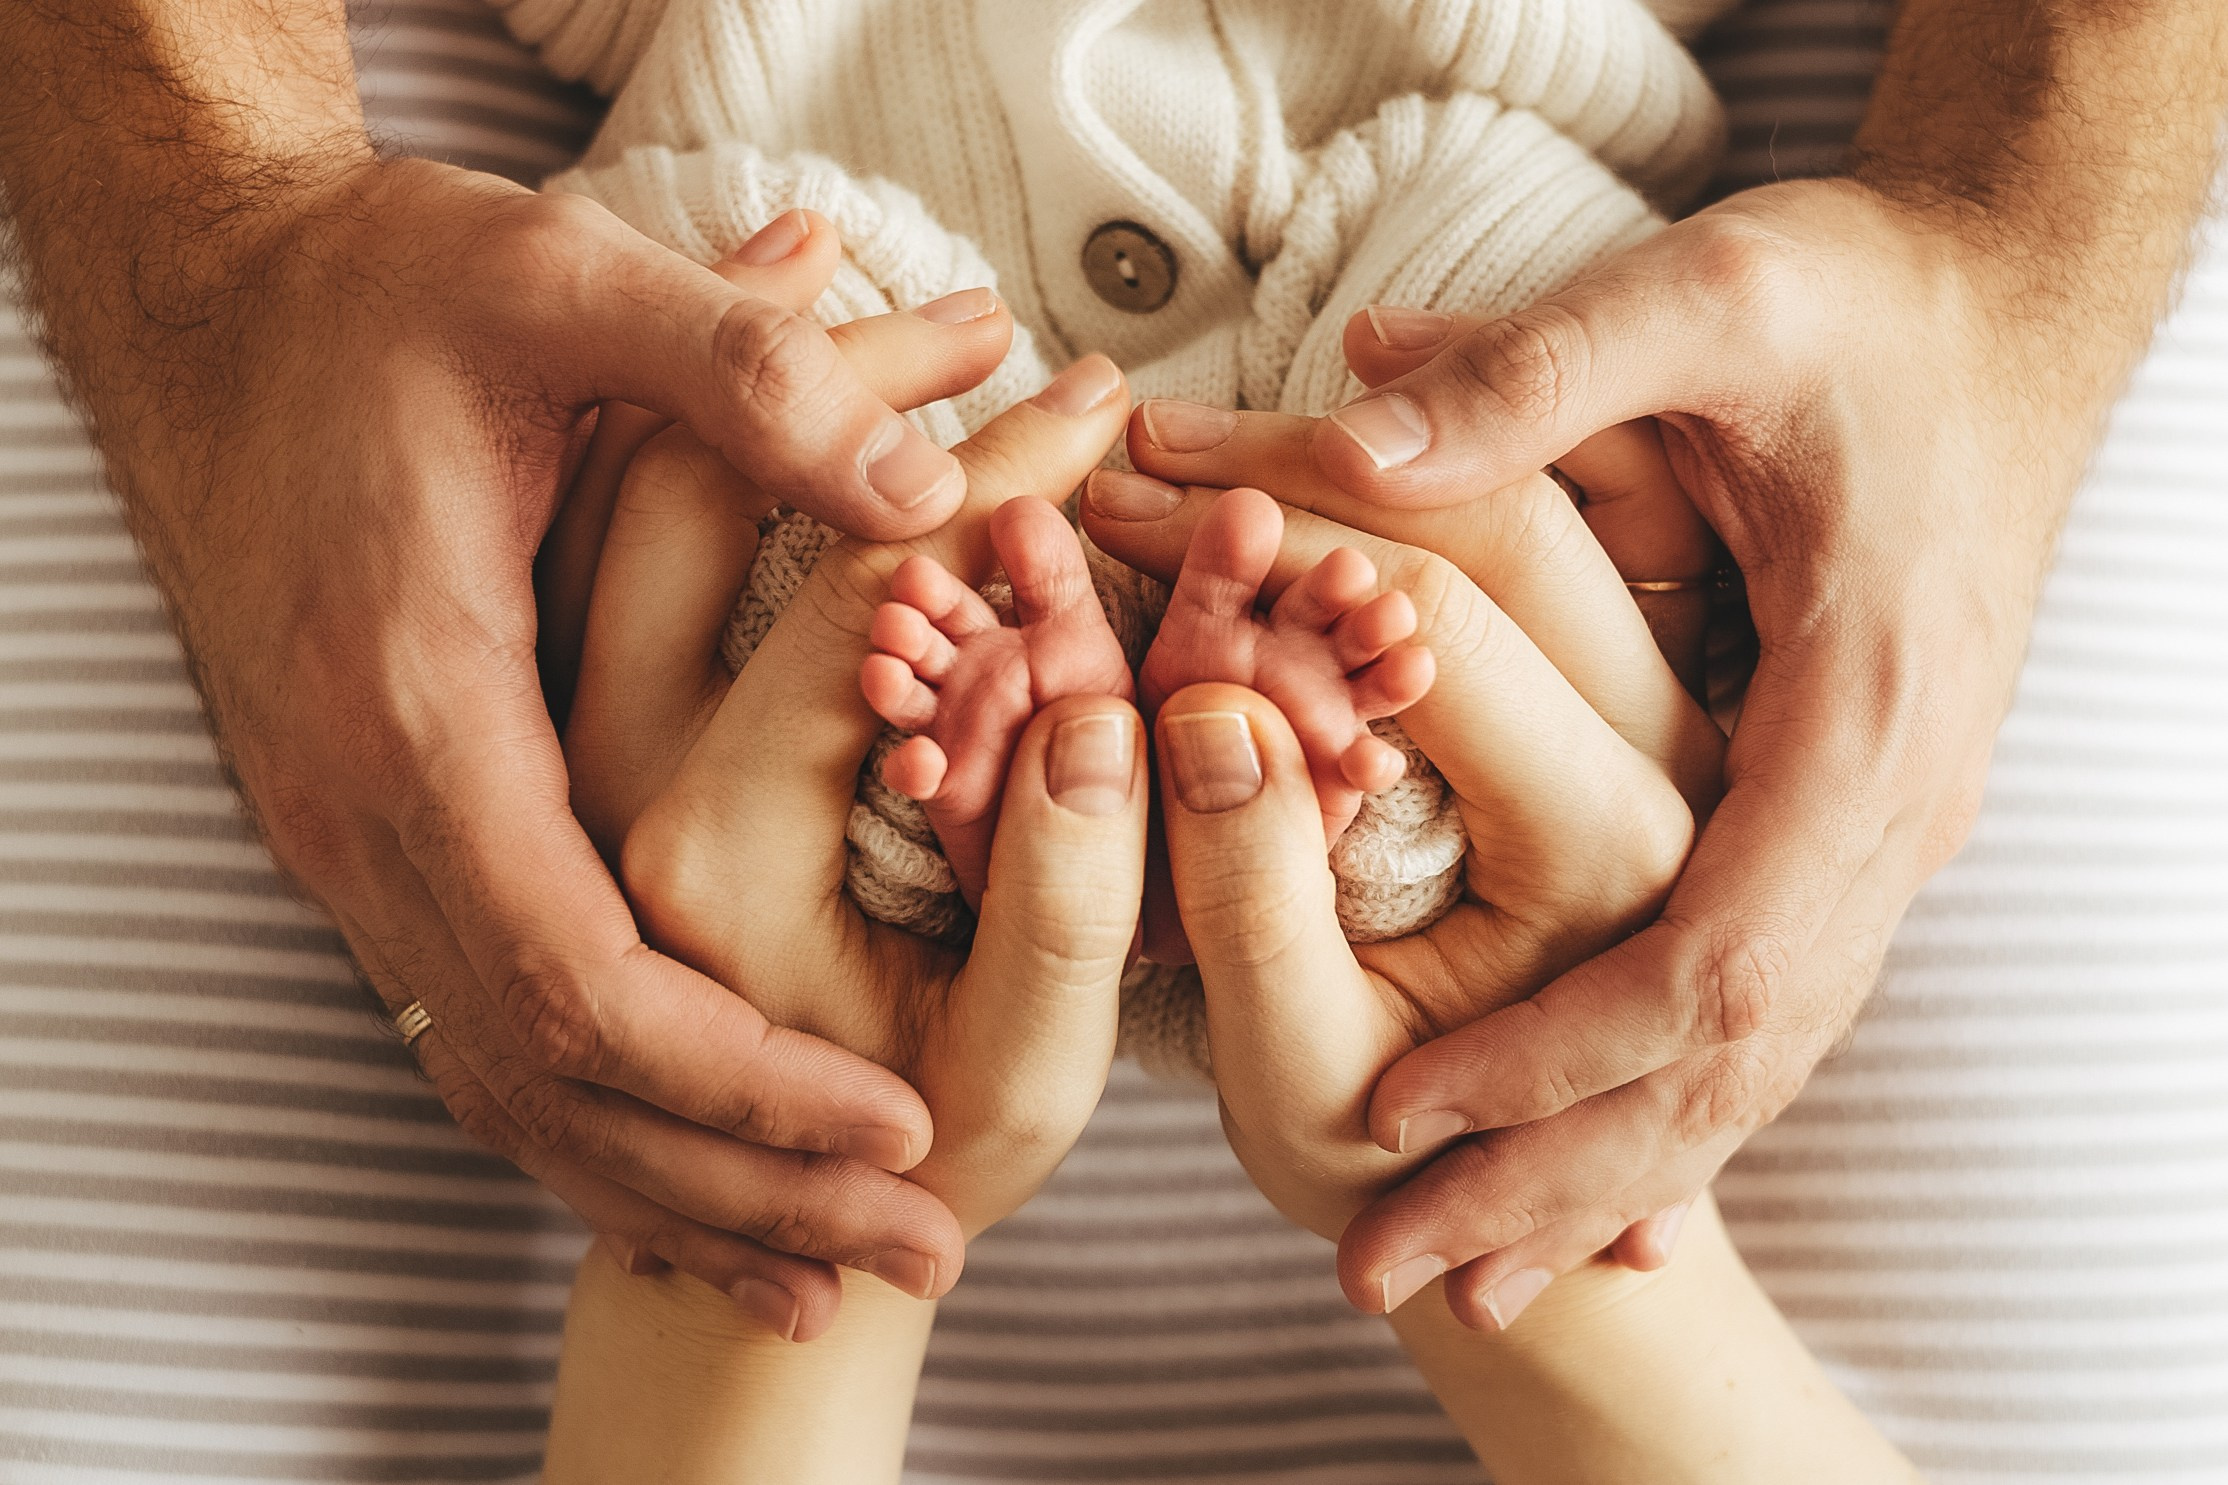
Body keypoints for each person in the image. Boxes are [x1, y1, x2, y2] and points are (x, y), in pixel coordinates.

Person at [2, 0, 2224, 1477]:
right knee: (1505, 446)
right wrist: (1514, 1210)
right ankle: (1383, 826)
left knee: (762, 424)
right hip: (1540, 181)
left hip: (734, 160)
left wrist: (798, 1193)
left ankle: (934, 796)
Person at [538, 269, 1916, 1483]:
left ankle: (959, 787)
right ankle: (1360, 799)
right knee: (1494, 400)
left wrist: (784, 1140)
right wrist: (1526, 1171)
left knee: (797, 478)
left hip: (843, 409)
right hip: (1440, 346)